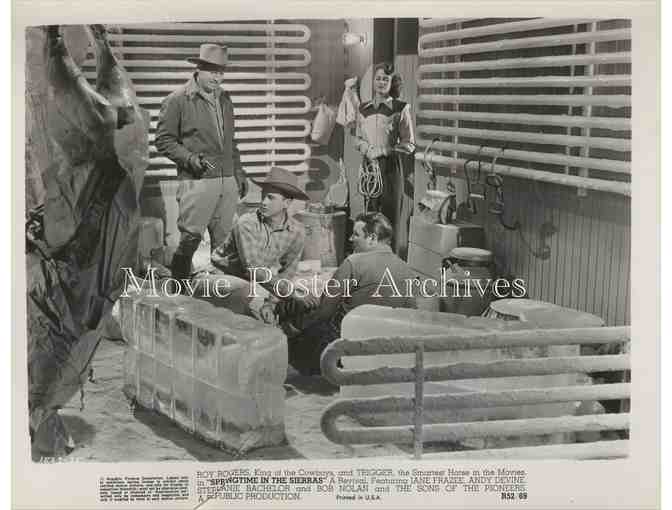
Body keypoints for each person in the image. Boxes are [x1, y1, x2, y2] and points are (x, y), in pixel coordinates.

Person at [155, 43, 248, 282]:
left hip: (227, 180)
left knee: (225, 244)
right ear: (198, 69)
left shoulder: (225, 99)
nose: (218, 78)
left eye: (221, 72)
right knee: (190, 239)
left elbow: (230, 141)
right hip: (198, 180)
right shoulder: (177, 100)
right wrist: (190, 159)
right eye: (213, 72)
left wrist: (239, 172)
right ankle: (179, 290)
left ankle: (223, 294)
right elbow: (163, 140)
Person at [286, 212, 418, 376]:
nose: (350, 239)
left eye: (356, 234)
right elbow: (411, 316)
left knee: (291, 329)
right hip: (384, 349)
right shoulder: (407, 270)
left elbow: (324, 312)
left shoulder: (353, 262)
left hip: (346, 346)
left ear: (372, 238)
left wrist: (295, 328)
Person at [208, 167, 315, 323]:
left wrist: (271, 303)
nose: (263, 202)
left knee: (309, 301)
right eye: (263, 196)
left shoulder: (297, 231)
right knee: (254, 307)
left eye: (270, 198)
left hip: (255, 283)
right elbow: (253, 269)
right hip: (221, 277)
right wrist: (291, 292)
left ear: (286, 203)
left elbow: (287, 272)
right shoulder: (246, 223)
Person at [354, 62, 416, 255]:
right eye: (378, 78)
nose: (381, 82)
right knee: (369, 217)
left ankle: (389, 261)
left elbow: (409, 144)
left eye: (386, 79)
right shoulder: (363, 108)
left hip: (390, 168)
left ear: (392, 83)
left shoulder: (400, 108)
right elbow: (357, 138)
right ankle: (369, 259)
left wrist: (383, 150)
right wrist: (367, 149)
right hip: (369, 168)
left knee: (389, 218)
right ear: (373, 81)